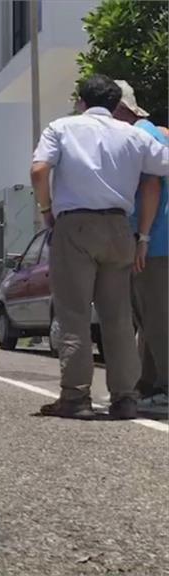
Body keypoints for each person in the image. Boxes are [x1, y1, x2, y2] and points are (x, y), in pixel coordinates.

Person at [30, 74, 169, 420]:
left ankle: (76, 398)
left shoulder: (61, 128)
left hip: (74, 224)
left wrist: (47, 210)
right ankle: (125, 398)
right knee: (118, 317)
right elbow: (160, 168)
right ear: (115, 104)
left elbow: (39, 169)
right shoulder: (135, 134)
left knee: (74, 313)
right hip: (121, 227)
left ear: (81, 101)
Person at [113, 80, 169, 408]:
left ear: (122, 110)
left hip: (158, 240)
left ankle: (164, 387)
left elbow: (150, 184)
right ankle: (148, 385)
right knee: (149, 315)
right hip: (156, 238)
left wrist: (143, 238)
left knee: (158, 316)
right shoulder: (154, 131)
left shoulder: (141, 135)